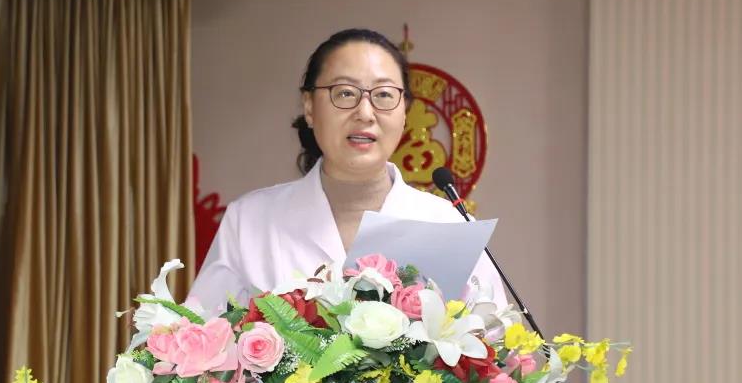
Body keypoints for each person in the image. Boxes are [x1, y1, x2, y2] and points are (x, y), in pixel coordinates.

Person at [188, 27, 506, 311]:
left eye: (384, 95)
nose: (365, 113)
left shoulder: (449, 226)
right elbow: (200, 340)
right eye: (344, 93)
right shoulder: (249, 221)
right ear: (309, 107)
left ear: (405, 113)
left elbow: (496, 346)